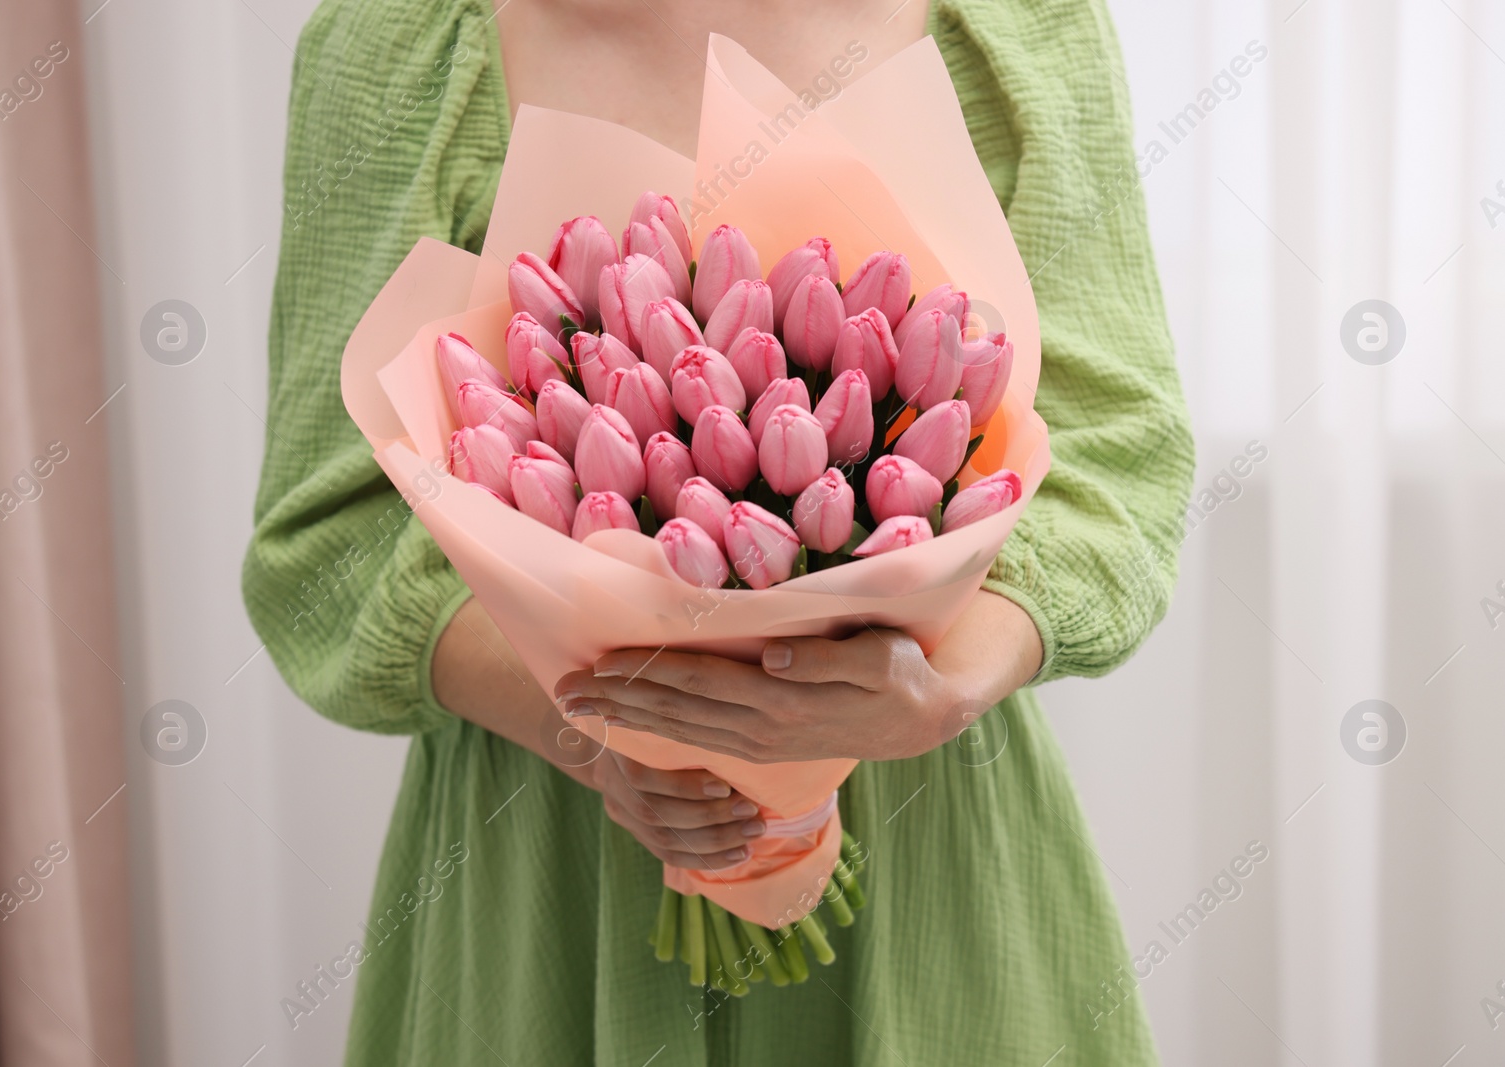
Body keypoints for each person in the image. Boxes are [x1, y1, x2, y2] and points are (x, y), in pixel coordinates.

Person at [241, 0, 1195, 1062]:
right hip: (548, 854)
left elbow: (1117, 453)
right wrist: (604, 736)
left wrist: (943, 685)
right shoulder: (392, 48)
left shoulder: (1022, 27)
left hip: (928, 829)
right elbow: (325, 545)